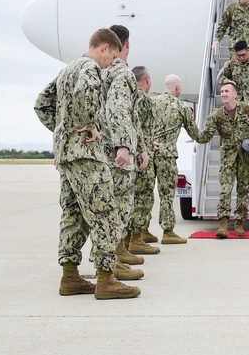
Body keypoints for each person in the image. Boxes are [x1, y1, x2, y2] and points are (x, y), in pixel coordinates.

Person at [33, 28, 140, 299]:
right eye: (111, 57)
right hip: (87, 155)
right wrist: (88, 126)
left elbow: (42, 104)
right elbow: (87, 94)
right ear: (103, 48)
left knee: (74, 214)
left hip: (68, 156)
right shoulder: (91, 68)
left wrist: (63, 136)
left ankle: (69, 276)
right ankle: (106, 279)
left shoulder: (68, 69)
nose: (110, 64)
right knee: (105, 214)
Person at [104, 25, 153, 283]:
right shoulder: (120, 72)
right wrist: (125, 145)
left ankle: (117, 254)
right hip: (118, 153)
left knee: (109, 207)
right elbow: (122, 109)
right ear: (126, 44)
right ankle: (114, 263)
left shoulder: (92, 70)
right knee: (119, 207)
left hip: (98, 150)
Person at [195, 81, 249, 238]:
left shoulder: (248, 110)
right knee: (225, 189)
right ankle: (222, 224)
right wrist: (191, 130)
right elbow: (204, 137)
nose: (223, 94)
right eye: (221, 92)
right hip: (228, 158)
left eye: (227, 91)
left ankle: (239, 223)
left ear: (235, 94)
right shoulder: (217, 116)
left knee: (244, 191)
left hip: (246, 158)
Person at [151, 74, 201, 244]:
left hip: (149, 153)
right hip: (166, 156)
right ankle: (168, 231)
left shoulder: (152, 103)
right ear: (177, 88)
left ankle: (140, 231)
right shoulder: (181, 107)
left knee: (144, 193)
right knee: (166, 194)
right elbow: (195, 134)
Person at [128, 65, 161, 252]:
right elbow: (139, 128)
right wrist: (145, 147)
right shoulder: (143, 100)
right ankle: (136, 239)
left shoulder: (129, 97)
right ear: (147, 80)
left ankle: (130, 240)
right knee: (143, 196)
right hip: (141, 157)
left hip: (132, 153)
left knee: (132, 196)